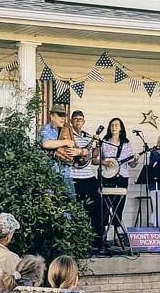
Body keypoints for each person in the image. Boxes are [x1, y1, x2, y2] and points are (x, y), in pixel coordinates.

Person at [92, 118, 139, 243]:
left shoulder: (126, 144)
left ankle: (117, 236)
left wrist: (135, 160)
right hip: (106, 177)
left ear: (121, 128)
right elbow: (94, 159)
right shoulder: (104, 142)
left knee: (119, 207)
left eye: (117, 125)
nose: (114, 127)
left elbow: (132, 165)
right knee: (104, 207)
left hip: (122, 177)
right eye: (112, 125)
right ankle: (103, 237)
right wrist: (104, 161)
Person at [69, 110, 102, 247]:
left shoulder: (89, 137)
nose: (78, 121)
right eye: (75, 119)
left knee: (96, 208)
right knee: (74, 209)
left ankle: (96, 241)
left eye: (80, 119)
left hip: (88, 177)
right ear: (71, 121)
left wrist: (98, 144)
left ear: (84, 121)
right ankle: (75, 241)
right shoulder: (67, 136)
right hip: (73, 177)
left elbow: (94, 158)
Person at [40, 104, 84, 195]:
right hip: (51, 175)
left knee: (70, 205)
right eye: (59, 115)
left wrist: (80, 151)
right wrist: (66, 142)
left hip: (66, 174)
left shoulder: (66, 130)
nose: (63, 118)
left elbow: (75, 148)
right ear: (51, 116)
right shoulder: (47, 128)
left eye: (64, 115)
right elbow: (46, 143)